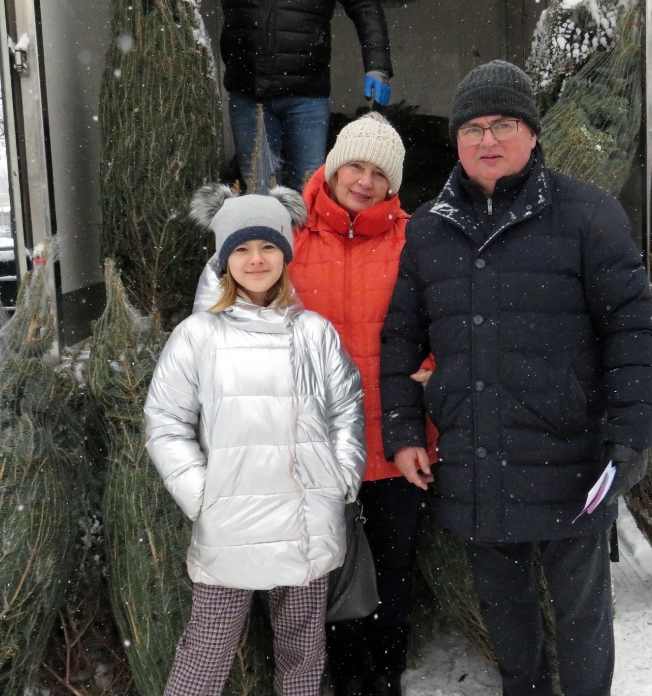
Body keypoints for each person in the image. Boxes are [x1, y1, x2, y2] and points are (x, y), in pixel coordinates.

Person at [379, 60, 652, 696]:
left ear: (532, 133)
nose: (488, 139)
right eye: (472, 128)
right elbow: (400, 337)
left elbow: (631, 329)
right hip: (476, 457)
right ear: (456, 141)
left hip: (570, 457)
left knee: (582, 615)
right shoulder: (428, 230)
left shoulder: (588, 214)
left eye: (503, 124)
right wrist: (403, 430)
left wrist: (630, 432)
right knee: (506, 615)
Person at [194, 112, 429, 696]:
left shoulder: (415, 241)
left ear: (394, 184)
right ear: (332, 166)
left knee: (394, 566)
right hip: (312, 444)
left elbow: (442, 317)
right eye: (355, 166)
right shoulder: (289, 237)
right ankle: (343, 676)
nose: (365, 181)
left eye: (380, 173)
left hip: (396, 438)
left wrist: (435, 367)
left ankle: (385, 675)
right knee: (327, 569)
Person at [145, 185, 366, 696]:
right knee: (207, 651)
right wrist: (203, 495)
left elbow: (346, 409)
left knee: (303, 652)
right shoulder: (197, 336)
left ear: (286, 254)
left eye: (268, 246)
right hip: (231, 523)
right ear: (224, 259)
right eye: (241, 248)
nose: (256, 259)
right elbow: (165, 422)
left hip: (307, 519)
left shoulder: (314, 332)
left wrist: (340, 480)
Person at [220, 0, 393, 191]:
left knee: (309, 190)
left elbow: (364, 5)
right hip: (248, 90)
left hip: (306, 94)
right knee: (260, 192)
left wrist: (378, 66)